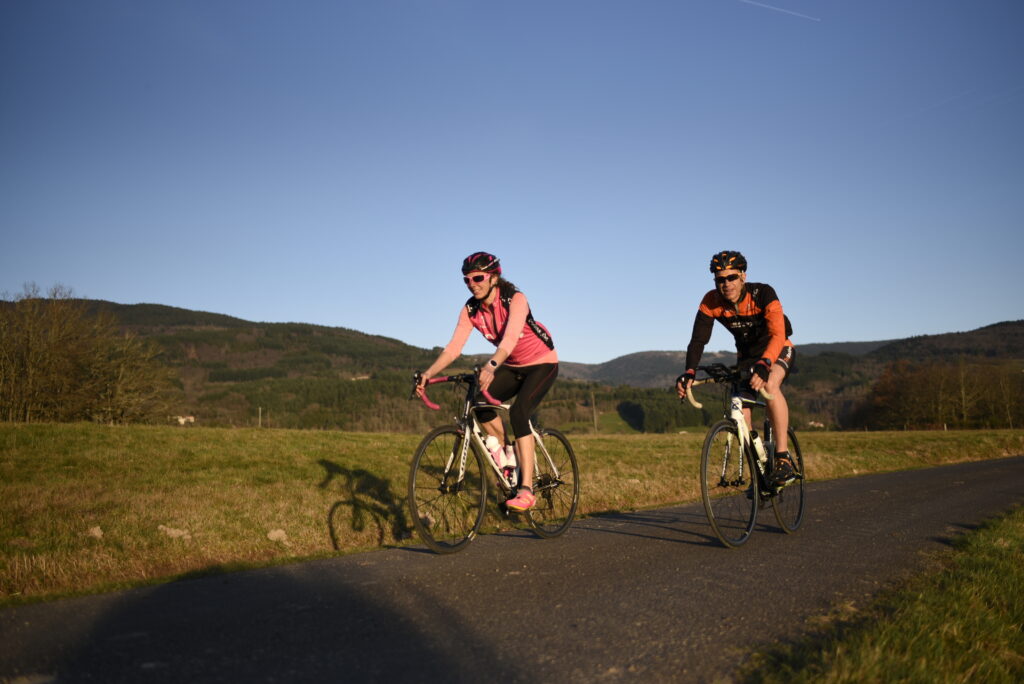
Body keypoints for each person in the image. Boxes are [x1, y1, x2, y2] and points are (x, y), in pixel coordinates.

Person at [416, 252, 559, 511]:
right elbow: (453, 347)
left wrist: (492, 365)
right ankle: (508, 460)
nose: (472, 283)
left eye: (478, 277)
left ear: (494, 277)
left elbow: (511, 338)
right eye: (467, 280)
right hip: (513, 366)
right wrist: (428, 372)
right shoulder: (471, 309)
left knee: (519, 412)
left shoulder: (515, 299)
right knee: (480, 405)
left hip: (542, 364)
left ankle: (526, 489)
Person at [675, 250, 797, 484]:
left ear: (743, 276)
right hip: (748, 356)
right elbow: (698, 341)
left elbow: (777, 333)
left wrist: (765, 363)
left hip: (779, 347)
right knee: (741, 409)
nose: (726, 283)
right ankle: (759, 473)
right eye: (720, 279)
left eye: (731, 277)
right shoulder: (711, 301)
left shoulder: (763, 293)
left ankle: (783, 458)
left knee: (770, 384)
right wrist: (689, 371)